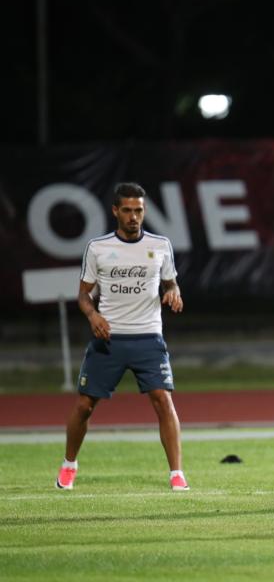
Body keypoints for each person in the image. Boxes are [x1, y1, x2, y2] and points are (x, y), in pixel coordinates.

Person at [56, 182, 188, 491]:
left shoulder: (160, 245)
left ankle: (177, 474)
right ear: (115, 211)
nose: (133, 217)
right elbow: (83, 296)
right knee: (85, 405)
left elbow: (171, 284)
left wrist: (174, 293)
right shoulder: (98, 247)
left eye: (139, 210)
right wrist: (93, 316)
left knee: (163, 400)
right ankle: (69, 464)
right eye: (127, 210)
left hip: (148, 338)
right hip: (109, 338)